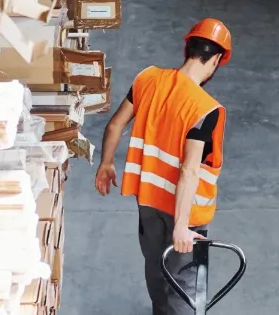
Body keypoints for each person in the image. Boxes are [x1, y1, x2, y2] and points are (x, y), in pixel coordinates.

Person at [94, 18, 232, 315]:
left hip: (148, 200)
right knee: (184, 284)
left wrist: (106, 163)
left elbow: (115, 124)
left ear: (188, 48)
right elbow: (189, 170)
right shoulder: (204, 109)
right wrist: (182, 226)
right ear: (217, 59)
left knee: (156, 266)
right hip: (186, 212)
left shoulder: (148, 79)